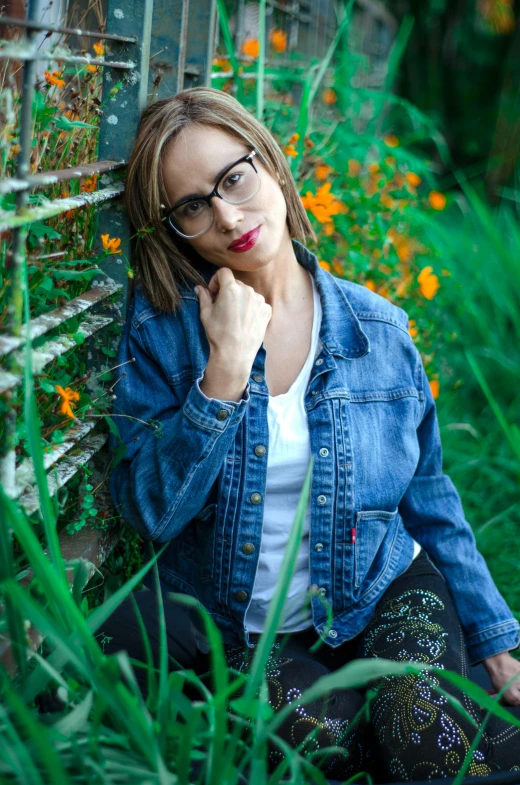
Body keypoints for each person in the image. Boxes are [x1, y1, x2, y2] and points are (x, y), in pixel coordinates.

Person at [103, 86, 520, 781]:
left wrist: (496, 636)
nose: (228, 215)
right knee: (324, 738)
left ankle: (424, 709)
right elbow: (153, 513)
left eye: (234, 178)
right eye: (193, 206)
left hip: (382, 589)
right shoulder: (163, 338)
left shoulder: (378, 330)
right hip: (242, 626)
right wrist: (225, 375)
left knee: (415, 727)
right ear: (174, 226)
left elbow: (429, 496)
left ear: (269, 161)